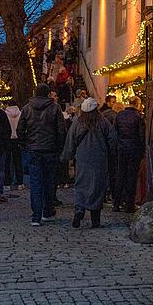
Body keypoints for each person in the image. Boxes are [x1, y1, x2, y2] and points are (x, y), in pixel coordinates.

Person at [62, 97, 117, 228]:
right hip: (99, 157)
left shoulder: (78, 122)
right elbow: (112, 138)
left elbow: (71, 139)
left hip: (82, 157)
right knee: (97, 186)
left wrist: (68, 155)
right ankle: (95, 219)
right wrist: (110, 153)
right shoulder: (103, 122)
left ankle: (79, 208)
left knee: (81, 183)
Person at [18, 83, 67, 226]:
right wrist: (59, 147)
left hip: (33, 149)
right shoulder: (55, 108)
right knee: (49, 181)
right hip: (50, 149)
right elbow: (61, 130)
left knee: (35, 182)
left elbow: (20, 129)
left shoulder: (27, 108)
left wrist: (25, 143)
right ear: (48, 94)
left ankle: (36, 216)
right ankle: (47, 210)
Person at [113, 96, 146, 213]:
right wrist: (142, 151)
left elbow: (114, 131)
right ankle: (129, 204)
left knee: (120, 175)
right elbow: (141, 136)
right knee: (131, 177)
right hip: (134, 149)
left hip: (121, 148)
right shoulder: (138, 117)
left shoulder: (119, 115)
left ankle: (116, 203)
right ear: (137, 104)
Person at [5, 99, 24, 191]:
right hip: (17, 140)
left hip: (8, 140)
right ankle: (20, 182)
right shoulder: (20, 114)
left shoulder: (5, 114)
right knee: (18, 162)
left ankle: (7, 183)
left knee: (7, 162)